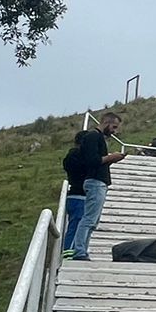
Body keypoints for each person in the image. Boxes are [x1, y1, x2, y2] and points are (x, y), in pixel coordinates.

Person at [66, 112, 128, 261]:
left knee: (92, 220)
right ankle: (79, 251)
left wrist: (110, 160)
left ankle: (82, 250)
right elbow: (92, 161)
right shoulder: (93, 137)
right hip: (95, 182)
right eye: (114, 127)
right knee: (88, 219)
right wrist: (111, 157)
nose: (114, 131)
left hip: (98, 182)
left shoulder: (96, 137)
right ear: (106, 122)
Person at [59, 130, 86, 253]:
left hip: (75, 196)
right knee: (76, 226)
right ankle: (69, 251)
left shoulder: (71, 157)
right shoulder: (77, 157)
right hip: (79, 196)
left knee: (75, 225)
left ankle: (72, 250)